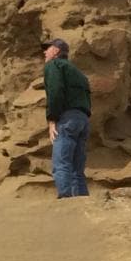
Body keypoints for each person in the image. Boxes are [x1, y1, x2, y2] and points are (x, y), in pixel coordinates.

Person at [42, 36, 92, 198]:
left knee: (61, 163)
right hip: (83, 119)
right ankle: (82, 201)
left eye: (47, 48)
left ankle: (65, 200)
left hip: (67, 118)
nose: (44, 52)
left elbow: (55, 92)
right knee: (77, 168)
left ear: (56, 51)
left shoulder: (53, 65)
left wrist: (52, 120)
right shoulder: (78, 73)